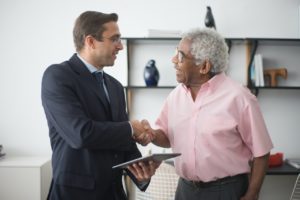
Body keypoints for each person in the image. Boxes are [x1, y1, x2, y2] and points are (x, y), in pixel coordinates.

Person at [135, 28, 273, 200]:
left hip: (226, 191)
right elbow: (167, 137)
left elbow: (262, 152)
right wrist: (152, 134)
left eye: (180, 56)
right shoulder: (176, 95)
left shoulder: (239, 97)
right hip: (185, 189)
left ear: (204, 66)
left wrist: (252, 193)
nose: (173, 61)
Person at [41, 11, 159, 200]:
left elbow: (123, 141)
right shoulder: (57, 76)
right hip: (74, 195)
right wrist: (131, 128)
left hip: (114, 194)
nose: (120, 46)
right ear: (90, 41)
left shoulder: (116, 87)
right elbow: (81, 134)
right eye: (114, 39)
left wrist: (141, 170)